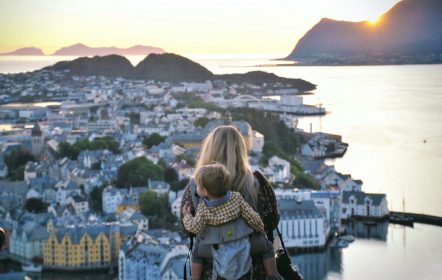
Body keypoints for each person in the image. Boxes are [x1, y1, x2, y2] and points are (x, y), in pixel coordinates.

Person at [180, 125, 280, 280]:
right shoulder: (256, 183)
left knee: (196, 255)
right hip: (253, 268)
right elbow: (271, 221)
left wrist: (188, 216)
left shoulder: (195, 188)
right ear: (240, 150)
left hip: (211, 269)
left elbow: (188, 230)